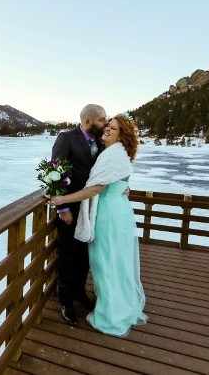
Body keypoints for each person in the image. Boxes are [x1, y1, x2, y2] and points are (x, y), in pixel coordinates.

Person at [50, 113, 147, 336]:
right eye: (106, 124)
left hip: (109, 214)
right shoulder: (108, 150)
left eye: (113, 127)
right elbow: (60, 169)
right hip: (111, 210)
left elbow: (97, 188)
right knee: (109, 259)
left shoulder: (113, 153)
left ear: (122, 136)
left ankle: (111, 313)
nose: (107, 128)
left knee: (106, 261)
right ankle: (86, 301)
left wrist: (63, 200)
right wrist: (62, 206)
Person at [51, 104, 108, 325]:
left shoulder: (99, 142)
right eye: (102, 119)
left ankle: (79, 292)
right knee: (68, 254)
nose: (105, 122)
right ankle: (65, 302)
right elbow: (55, 172)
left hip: (92, 208)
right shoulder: (67, 138)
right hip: (71, 209)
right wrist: (62, 208)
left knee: (85, 253)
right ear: (87, 122)